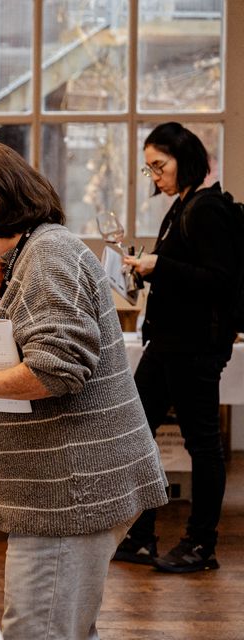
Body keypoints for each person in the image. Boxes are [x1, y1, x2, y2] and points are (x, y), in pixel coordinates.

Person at [0, 142, 168, 639]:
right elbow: (34, 352)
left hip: (70, 492)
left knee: (38, 631)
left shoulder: (46, 256)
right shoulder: (35, 253)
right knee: (66, 628)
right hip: (62, 487)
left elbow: (57, 371)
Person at [114, 122, 239, 573]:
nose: (155, 176)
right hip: (167, 343)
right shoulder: (181, 207)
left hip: (194, 346)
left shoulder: (206, 209)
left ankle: (200, 545)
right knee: (136, 430)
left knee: (202, 444)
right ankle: (141, 535)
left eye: (159, 166)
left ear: (184, 159)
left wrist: (159, 266)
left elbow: (220, 280)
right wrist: (148, 268)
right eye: (149, 169)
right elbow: (185, 272)